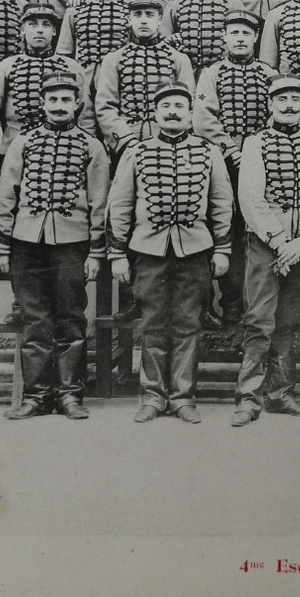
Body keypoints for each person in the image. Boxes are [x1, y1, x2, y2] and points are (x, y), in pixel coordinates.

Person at [108, 82, 234, 424]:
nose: (173, 111)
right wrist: (117, 253)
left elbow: (223, 203)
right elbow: (119, 204)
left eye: (180, 106)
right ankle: (152, 396)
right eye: (166, 106)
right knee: (152, 324)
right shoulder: (136, 152)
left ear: (191, 113)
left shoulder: (209, 152)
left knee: (188, 324)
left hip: (195, 250)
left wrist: (222, 249)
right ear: (155, 113)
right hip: (148, 251)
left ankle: (183, 397)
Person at [0, 72, 110, 420]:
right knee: (34, 319)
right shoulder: (23, 143)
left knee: (71, 319)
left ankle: (70, 394)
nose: (59, 106)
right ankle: (35, 396)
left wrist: (96, 250)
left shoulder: (92, 146)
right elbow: (7, 193)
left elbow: (99, 200)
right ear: (42, 103)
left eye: (66, 100)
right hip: (27, 242)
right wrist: (2, 245)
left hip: (72, 244)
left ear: (77, 104)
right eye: (52, 99)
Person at [233, 75, 300, 426]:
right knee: (260, 320)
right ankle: (249, 397)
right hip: (265, 244)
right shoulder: (255, 142)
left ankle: (280, 394)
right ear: (270, 104)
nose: (289, 105)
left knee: (289, 321)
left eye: (295, 98)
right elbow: (251, 199)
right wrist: (279, 242)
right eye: (281, 99)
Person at [193, 9, 275, 327]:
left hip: (259, 163)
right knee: (223, 228)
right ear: (224, 37)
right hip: (222, 163)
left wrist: (252, 149)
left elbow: (276, 112)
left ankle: (255, 301)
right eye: (234, 33)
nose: (240, 38)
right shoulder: (212, 74)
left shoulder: (269, 73)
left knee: (253, 231)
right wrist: (230, 147)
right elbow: (203, 117)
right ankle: (228, 303)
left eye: (246, 33)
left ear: (255, 37)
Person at [0, 1, 94, 173]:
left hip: (63, 150)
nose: (39, 30)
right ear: (22, 29)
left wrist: (86, 146)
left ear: (54, 31)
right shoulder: (6, 66)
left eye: (46, 25)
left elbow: (85, 114)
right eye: (32, 24)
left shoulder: (72, 67)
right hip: (14, 152)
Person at [91, 0, 195, 156]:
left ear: (160, 19)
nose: (144, 20)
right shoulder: (114, 59)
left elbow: (189, 105)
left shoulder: (179, 59)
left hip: (170, 144)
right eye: (137, 15)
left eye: (149, 14)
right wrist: (127, 141)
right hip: (127, 145)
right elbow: (105, 107)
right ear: (129, 19)